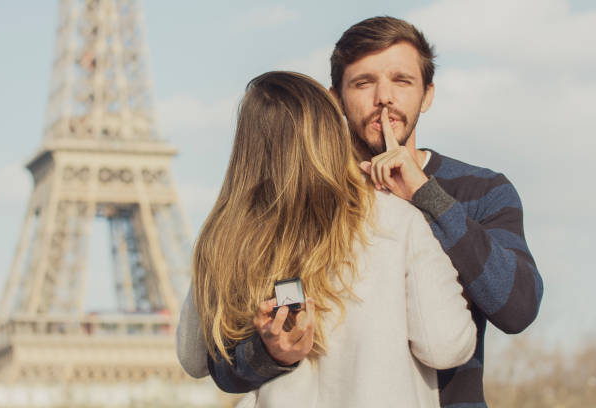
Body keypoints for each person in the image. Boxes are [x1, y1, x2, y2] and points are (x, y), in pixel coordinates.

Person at [179, 16, 544, 408]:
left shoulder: (481, 190)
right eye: (364, 83)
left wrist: (427, 196)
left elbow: (518, 308)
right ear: (335, 98)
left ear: (428, 95)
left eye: (401, 81)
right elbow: (219, 362)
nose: (383, 98)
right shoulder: (302, 205)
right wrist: (271, 352)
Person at [177, 71, 476, 407]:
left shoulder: (226, 239)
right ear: (333, 133)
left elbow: (193, 358)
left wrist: (265, 353)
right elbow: (446, 345)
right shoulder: (397, 221)